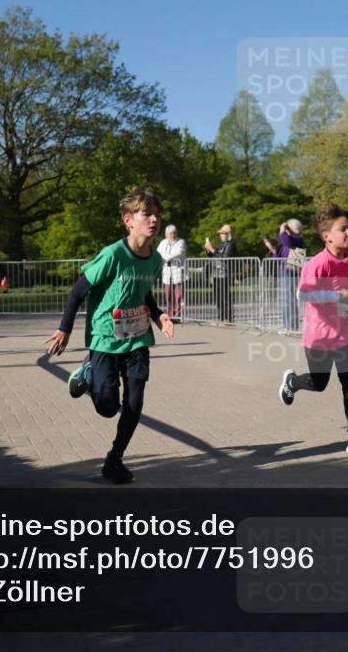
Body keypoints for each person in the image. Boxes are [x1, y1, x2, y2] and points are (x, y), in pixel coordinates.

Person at [44, 188, 175, 485]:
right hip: (105, 338)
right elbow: (78, 291)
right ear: (128, 220)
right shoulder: (112, 254)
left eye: (157, 214)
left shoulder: (155, 260)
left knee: (134, 403)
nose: (154, 219)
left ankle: (114, 458)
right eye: (146, 214)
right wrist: (64, 328)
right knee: (107, 407)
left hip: (138, 339)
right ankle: (89, 373)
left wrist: (159, 315)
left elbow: (144, 294)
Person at [278, 204, 348, 456]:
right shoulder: (317, 264)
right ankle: (292, 382)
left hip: (345, 335)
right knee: (319, 383)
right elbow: (303, 293)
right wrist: (334, 294)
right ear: (327, 236)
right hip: (319, 337)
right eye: (343, 229)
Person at [264, 219, 305, 331]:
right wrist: (270, 247)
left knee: (290, 299)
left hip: (291, 273)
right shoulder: (288, 242)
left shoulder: (297, 238)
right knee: (285, 300)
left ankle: (292, 326)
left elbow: (285, 240)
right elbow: (279, 255)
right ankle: (287, 325)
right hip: (284, 272)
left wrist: (283, 229)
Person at [204, 224, 237, 323]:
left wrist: (212, 249)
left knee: (225, 296)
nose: (221, 235)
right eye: (221, 234)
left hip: (225, 273)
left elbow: (224, 258)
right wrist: (208, 250)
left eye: (223, 233)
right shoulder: (221, 244)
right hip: (216, 273)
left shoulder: (231, 244)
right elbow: (214, 256)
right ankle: (221, 316)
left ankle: (228, 317)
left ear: (228, 234)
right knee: (218, 296)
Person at [157, 224, 186, 321]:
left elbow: (179, 252)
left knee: (178, 296)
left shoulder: (181, 241)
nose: (173, 235)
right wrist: (165, 257)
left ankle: (178, 315)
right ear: (166, 234)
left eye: (174, 233)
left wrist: (167, 257)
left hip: (178, 272)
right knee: (168, 295)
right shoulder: (163, 242)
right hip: (167, 273)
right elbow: (158, 252)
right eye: (171, 233)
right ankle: (170, 314)